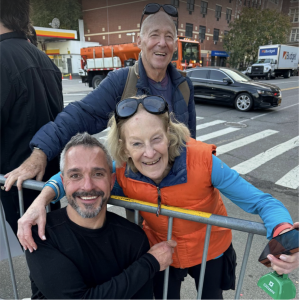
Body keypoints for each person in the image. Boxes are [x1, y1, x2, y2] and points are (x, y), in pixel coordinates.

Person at [18, 96, 298, 299]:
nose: (149, 153)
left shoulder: (203, 162)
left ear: (170, 135)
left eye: (156, 139)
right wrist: (42, 199)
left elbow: (263, 202)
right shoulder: (121, 171)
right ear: (124, 148)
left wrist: (285, 235)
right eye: (137, 143)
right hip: (161, 253)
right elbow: (76, 176)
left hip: (210, 251)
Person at [3, 4, 196, 200]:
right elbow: (78, 115)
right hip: (141, 201)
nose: (162, 43)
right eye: (154, 35)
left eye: (169, 36)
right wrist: (40, 152)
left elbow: (191, 143)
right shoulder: (121, 81)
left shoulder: (184, 85)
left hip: (178, 198)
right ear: (140, 40)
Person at [25, 133, 176, 299]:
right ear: (64, 181)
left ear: (111, 181)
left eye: (98, 174)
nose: (88, 186)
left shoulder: (134, 239)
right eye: (75, 175)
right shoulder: (41, 233)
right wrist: (148, 264)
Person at [0, 0, 63, 235]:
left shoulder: (2, 58)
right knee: (50, 246)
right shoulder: (44, 59)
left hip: (18, 183)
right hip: (49, 182)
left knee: (38, 253)